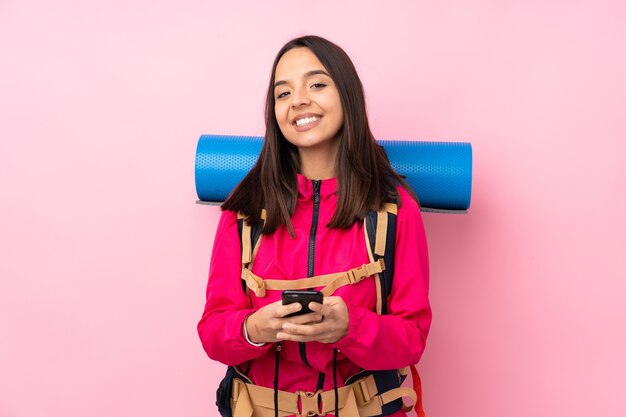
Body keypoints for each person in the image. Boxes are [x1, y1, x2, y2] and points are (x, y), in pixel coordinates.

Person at [197, 35, 431, 417]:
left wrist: (349, 328)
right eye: (283, 93)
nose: (299, 101)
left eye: (317, 84)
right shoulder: (245, 207)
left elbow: (412, 338)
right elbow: (212, 332)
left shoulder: (395, 207)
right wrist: (255, 328)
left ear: (347, 95)